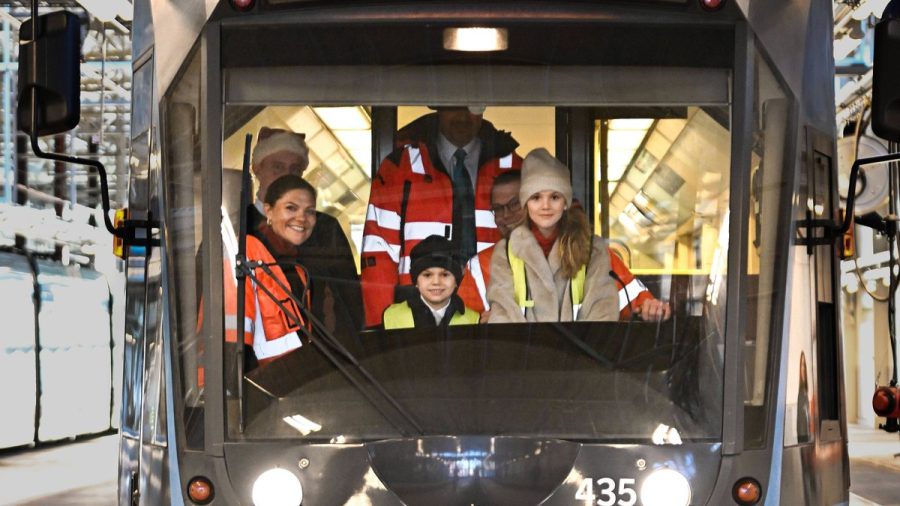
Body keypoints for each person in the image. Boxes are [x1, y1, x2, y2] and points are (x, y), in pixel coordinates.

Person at [360, 106, 522, 327]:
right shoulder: (400, 167)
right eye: (453, 105)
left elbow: (546, 235)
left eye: (472, 105)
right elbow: (378, 252)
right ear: (438, 106)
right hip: (417, 320)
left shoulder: (515, 167)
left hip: (492, 316)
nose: (463, 115)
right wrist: (381, 329)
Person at [487, 148, 671, 323]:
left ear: (566, 202)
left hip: (580, 356)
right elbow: (503, 318)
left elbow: (602, 316)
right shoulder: (505, 253)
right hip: (525, 356)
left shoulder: (592, 249)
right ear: (525, 203)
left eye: (554, 197)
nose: (545, 206)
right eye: (536, 198)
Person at [246, 127, 363, 336]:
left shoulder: (326, 229)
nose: (286, 176)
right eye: (277, 167)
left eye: (294, 169)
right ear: (256, 168)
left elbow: (349, 302)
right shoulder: (235, 228)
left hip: (323, 355)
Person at [243, 175, 317, 365]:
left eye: (310, 211)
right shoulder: (245, 254)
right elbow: (231, 344)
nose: (302, 218)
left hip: (290, 383)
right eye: (291, 208)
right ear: (268, 211)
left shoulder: (297, 268)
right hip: (258, 387)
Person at [382, 235, 479, 330]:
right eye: (427, 275)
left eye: (445, 275)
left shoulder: (474, 320)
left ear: (456, 281)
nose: (436, 282)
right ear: (416, 281)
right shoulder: (392, 316)